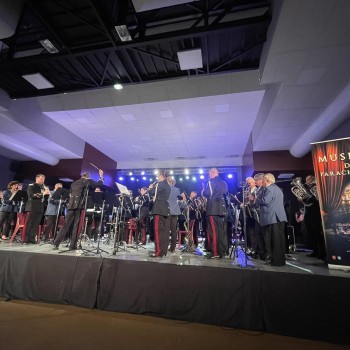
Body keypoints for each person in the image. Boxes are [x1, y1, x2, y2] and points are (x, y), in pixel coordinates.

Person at [53, 169, 104, 250]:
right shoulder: (87, 181)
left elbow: (70, 193)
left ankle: (56, 243)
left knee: (65, 225)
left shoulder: (74, 183)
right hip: (79, 206)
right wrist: (101, 176)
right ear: (88, 177)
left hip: (71, 205)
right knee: (76, 226)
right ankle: (72, 245)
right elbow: (99, 184)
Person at [254, 173, 287, 266]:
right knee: (279, 241)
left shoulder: (269, 188)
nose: (262, 182)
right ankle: (280, 260)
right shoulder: (277, 188)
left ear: (267, 180)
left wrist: (256, 199)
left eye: (263, 180)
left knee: (273, 241)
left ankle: (276, 261)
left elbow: (265, 201)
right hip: (279, 217)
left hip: (272, 218)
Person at [202, 168, 228, 258]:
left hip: (213, 209)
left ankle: (215, 252)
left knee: (213, 231)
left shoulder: (211, 182)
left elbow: (208, 193)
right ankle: (222, 251)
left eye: (209, 174)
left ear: (213, 173)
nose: (209, 175)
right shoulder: (224, 182)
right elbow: (225, 192)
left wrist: (203, 192)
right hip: (221, 210)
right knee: (221, 231)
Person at [148, 170, 171, 257]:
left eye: (158, 176)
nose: (157, 177)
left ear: (161, 176)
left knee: (157, 231)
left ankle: (158, 251)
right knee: (164, 232)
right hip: (165, 210)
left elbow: (154, 194)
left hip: (158, 209)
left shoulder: (159, 184)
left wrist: (150, 188)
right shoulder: (168, 185)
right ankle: (163, 251)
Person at [24, 174, 51, 244]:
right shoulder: (31, 186)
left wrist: (48, 194)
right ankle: (25, 239)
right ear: (37, 179)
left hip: (40, 207)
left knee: (36, 224)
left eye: (43, 179)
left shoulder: (43, 187)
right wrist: (43, 194)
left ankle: (32, 238)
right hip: (32, 207)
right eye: (41, 179)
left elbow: (45, 198)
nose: (43, 181)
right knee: (29, 223)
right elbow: (32, 195)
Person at [167, 177, 181, 252]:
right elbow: (180, 198)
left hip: (167, 210)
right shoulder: (177, 189)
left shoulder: (166, 189)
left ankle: (165, 245)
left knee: (166, 230)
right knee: (173, 230)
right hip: (175, 211)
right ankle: (173, 247)